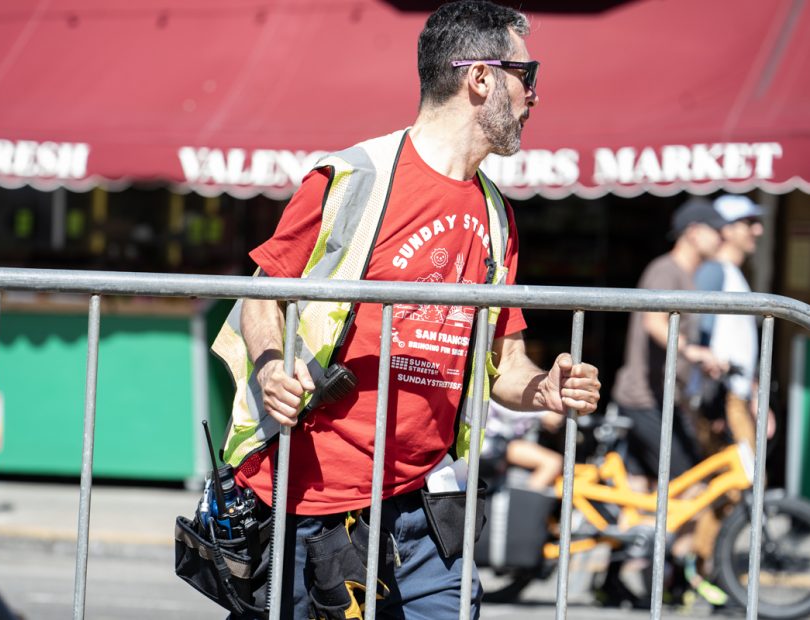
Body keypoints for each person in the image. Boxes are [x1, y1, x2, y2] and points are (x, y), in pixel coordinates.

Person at [211, 2, 601, 617]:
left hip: (425, 505)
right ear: (481, 78)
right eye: (528, 76)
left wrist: (543, 389)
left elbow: (508, 365)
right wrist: (268, 366)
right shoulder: (352, 177)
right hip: (314, 500)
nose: (534, 97)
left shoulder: (497, 216)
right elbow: (263, 292)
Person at [607, 197, 728, 608]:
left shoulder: (686, 275)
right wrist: (692, 353)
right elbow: (654, 321)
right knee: (689, 486)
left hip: (663, 402)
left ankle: (615, 580)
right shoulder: (665, 269)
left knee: (639, 493)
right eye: (717, 229)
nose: (723, 237)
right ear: (694, 230)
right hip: (643, 400)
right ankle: (673, 577)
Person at [693, 194, 774, 451]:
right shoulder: (714, 271)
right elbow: (699, 332)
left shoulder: (731, 273)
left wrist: (754, 393)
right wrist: (712, 402)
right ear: (726, 230)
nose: (757, 230)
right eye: (748, 222)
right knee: (738, 479)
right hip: (722, 396)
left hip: (735, 394)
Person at [481, 399, 563, 491]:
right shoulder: (516, 398)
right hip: (489, 442)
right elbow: (553, 419)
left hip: (502, 443)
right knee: (552, 463)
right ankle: (527, 501)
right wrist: (544, 412)